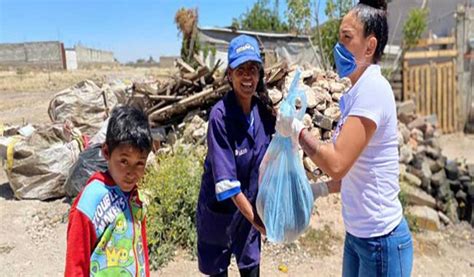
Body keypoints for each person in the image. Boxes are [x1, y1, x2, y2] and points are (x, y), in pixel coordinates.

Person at [276, 1, 414, 276]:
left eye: (347, 38)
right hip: (358, 236)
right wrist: (319, 191)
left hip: (381, 241)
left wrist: (297, 130)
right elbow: (354, 170)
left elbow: (337, 163)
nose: (338, 47)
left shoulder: (373, 89)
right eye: (339, 38)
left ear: (370, 46)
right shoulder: (356, 91)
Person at [196, 34, 275, 277]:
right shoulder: (220, 117)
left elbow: (272, 161)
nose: (248, 76)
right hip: (220, 214)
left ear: (259, 74)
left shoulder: (263, 113)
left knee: (251, 270)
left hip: (249, 211)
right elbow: (227, 184)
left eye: (253, 69)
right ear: (229, 75)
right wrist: (257, 221)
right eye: (241, 70)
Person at [65, 106, 152, 277]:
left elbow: (141, 253)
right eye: (124, 161)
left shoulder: (135, 199)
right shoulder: (91, 200)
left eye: (139, 163)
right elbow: (75, 264)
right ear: (106, 152)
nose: (131, 172)